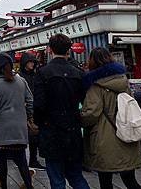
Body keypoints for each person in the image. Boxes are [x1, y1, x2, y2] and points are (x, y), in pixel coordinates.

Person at [33, 34, 89, 189]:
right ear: (68, 50)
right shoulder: (78, 73)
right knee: (76, 176)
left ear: (50, 49)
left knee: (56, 178)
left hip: (51, 129)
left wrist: (39, 123)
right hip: (73, 127)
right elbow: (85, 101)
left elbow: (39, 104)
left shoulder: (43, 73)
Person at [81, 48, 141, 189]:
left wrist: (80, 119)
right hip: (126, 133)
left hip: (105, 138)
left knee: (105, 180)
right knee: (130, 179)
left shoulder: (95, 86)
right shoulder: (123, 81)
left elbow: (91, 113)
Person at [0, 53, 34, 189]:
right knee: (22, 162)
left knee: (1, 163)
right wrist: (28, 116)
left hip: (2, 131)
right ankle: (29, 185)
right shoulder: (21, 81)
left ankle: (4, 186)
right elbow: (30, 101)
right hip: (20, 129)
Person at [18, 53, 44, 170]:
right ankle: (22, 159)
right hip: (22, 109)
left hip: (35, 108)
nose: (32, 64)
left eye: (33, 62)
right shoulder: (19, 77)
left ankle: (33, 159)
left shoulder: (36, 75)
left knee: (34, 135)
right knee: (23, 136)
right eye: (30, 62)